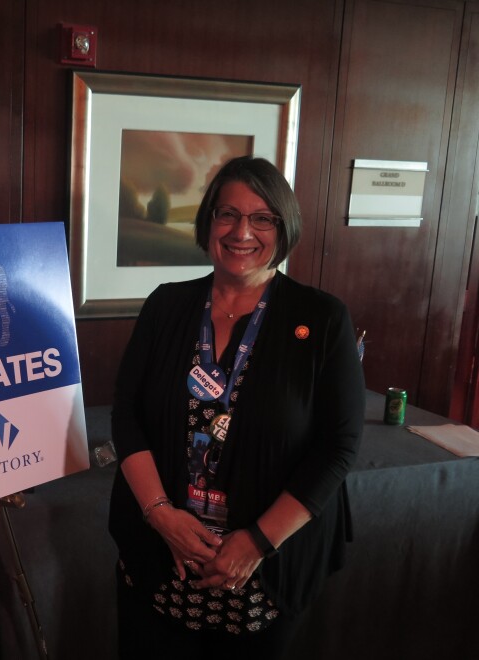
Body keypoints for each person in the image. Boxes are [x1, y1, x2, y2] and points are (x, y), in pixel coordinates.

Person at [109, 156, 365, 659]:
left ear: (283, 226)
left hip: (262, 571)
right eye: (227, 214)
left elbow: (339, 447)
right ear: (208, 223)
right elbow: (126, 413)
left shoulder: (323, 318)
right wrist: (160, 515)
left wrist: (255, 543)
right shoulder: (165, 305)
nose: (241, 231)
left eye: (262, 217)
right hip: (160, 556)